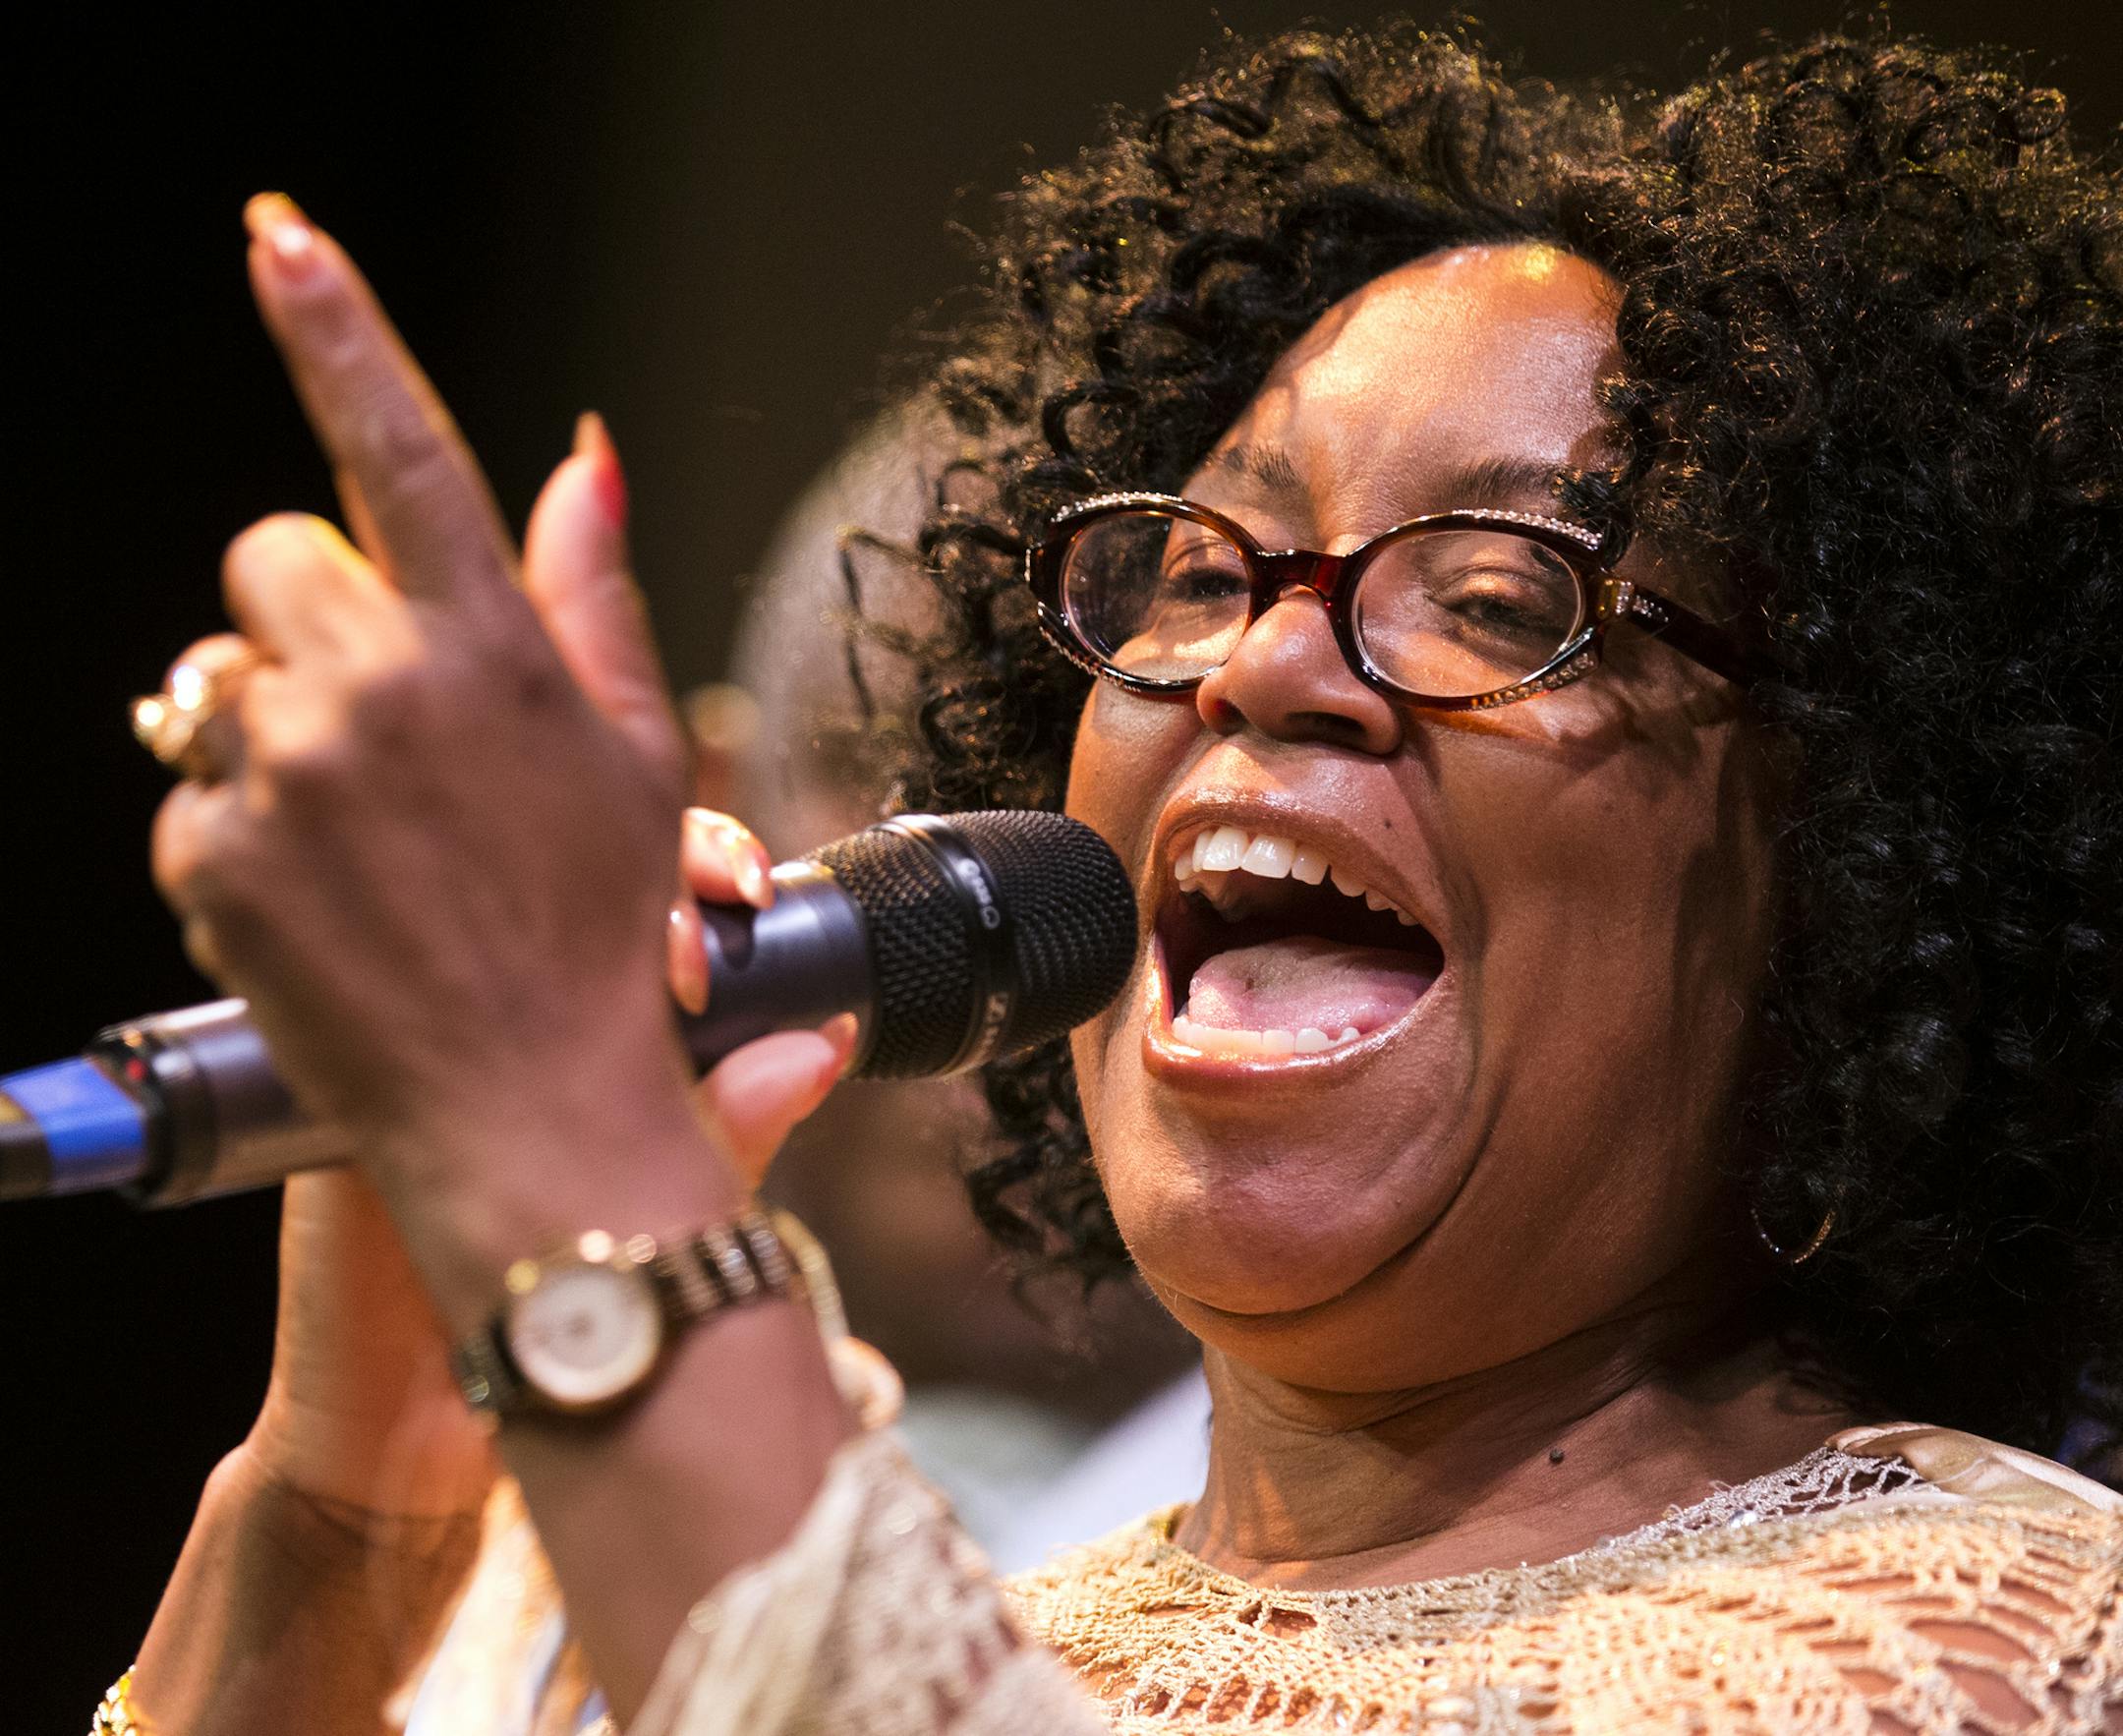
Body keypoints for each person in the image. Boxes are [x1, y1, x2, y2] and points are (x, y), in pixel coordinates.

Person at [102, 22, 2123, 1735]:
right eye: (1200, 569)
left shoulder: (2004, 1630)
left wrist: (568, 1164)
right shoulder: (969, 1625)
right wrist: (356, 1492)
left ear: (1869, 867)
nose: (1261, 658)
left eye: (1502, 593)